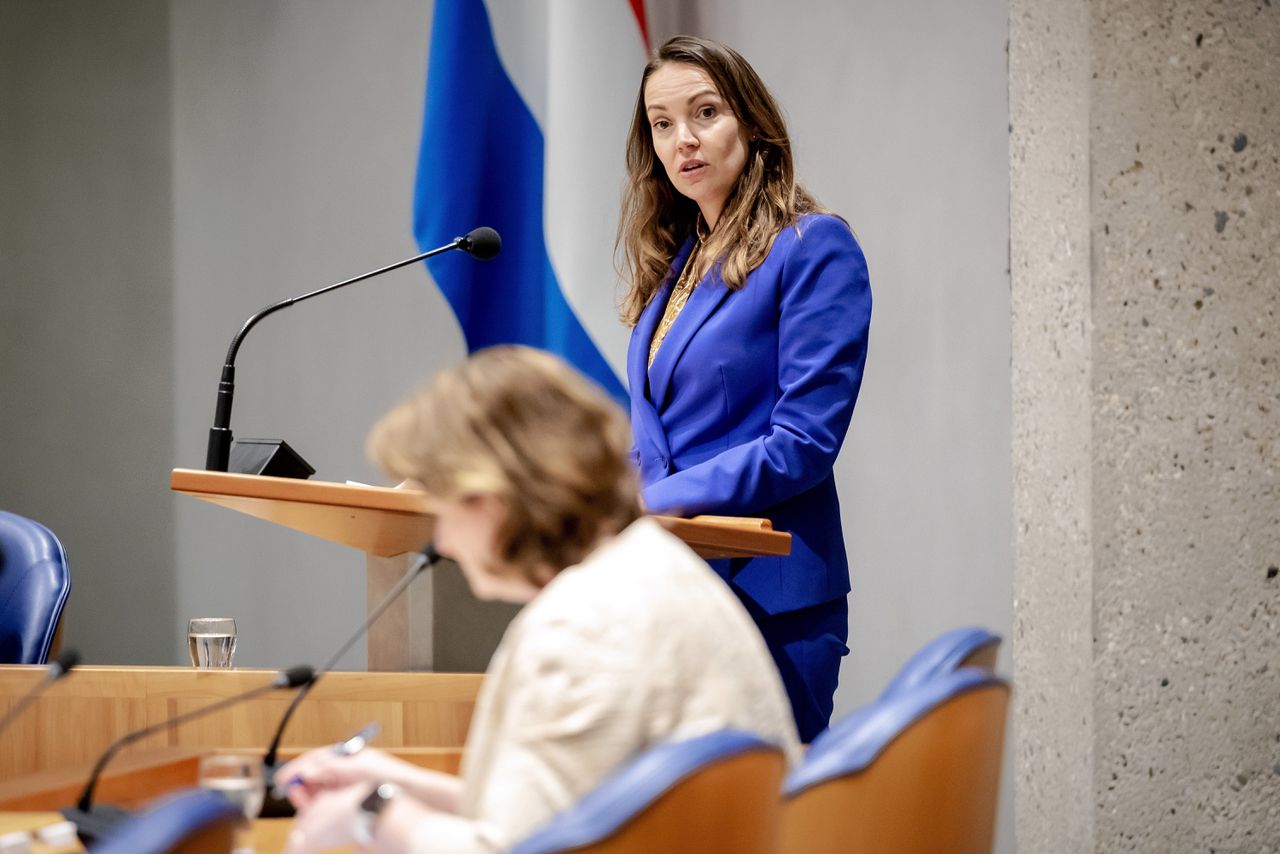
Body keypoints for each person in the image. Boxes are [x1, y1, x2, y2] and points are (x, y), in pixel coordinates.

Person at [278, 345, 799, 854]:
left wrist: (373, 813)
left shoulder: (583, 624)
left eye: (441, 509)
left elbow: (509, 849)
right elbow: (568, 820)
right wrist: (395, 783)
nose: (441, 541)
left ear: (491, 500)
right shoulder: (656, 569)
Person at [619, 35, 872, 743]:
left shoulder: (812, 248)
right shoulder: (672, 265)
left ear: (752, 123)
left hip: (767, 596)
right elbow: (658, 442)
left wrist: (644, 502)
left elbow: (802, 445)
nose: (683, 140)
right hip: (670, 591)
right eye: (662, 124)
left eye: (705, 113)